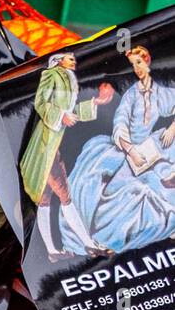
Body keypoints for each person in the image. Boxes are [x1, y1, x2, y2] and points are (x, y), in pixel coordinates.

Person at [60, 46, 175, 256]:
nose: (137, 69)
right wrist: (131, 150)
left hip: (153, 145)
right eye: (132, 65)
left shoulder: (160, 91)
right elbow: (120, 126)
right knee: (121, 193)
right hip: (127, 150)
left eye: (139, 63)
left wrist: (172, 129)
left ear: (147, 61)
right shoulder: (131, 94)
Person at [19, 52, 114, 260]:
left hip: (54, 144)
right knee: (64, 194)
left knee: (45, 199)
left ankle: (52, 251)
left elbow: (70, 112)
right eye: (69, 57)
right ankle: (89, 244)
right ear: (58, 60)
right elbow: (42, 103)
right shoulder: (51, 74)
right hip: (44, 147)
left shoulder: (70, 79)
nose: (73, 60)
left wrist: (95, 103)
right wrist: (61, 116)